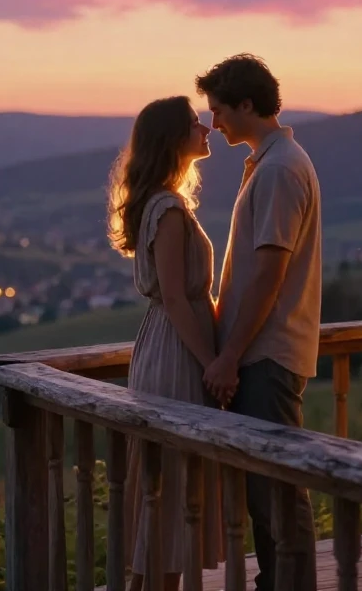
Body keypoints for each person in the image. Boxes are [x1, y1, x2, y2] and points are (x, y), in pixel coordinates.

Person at [196, 54, 321, 591]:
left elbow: (268, 274)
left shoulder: (276, 169)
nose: (213, 122)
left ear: (247, 104)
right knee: (268, 496)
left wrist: (229, 355)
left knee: (278, 498)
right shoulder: (271, 163)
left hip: (267, 354)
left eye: (219, 110)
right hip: (263, 352)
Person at [107, 95, 225, 591]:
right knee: (174, 486)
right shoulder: (170, 209)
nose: (207, 131)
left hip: (162, 345)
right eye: (197, 125)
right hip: (178, 352)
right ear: (174, 140)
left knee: (162, 487)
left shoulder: (156, 202)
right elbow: (177, 299)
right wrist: (215, 363)